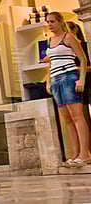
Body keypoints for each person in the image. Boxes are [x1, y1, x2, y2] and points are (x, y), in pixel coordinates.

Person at [44, 12, 91, 165]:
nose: (50, 24)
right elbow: (51, 61)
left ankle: (85, 153)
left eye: (52, 21)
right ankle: (75, 153)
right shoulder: (50, 41)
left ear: (59, 22)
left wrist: (81, 79)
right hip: (56, 79)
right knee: (67, 119)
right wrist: (48, 80)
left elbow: (82, 58)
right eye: (48, 22)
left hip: (69, 75)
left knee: (77, 116)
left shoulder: (68, 37)